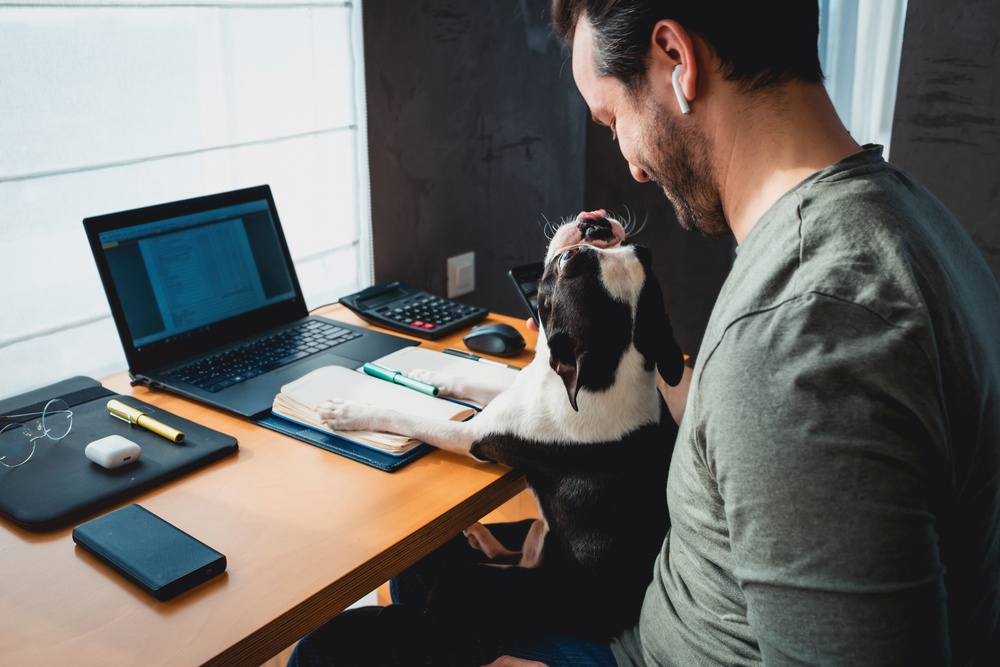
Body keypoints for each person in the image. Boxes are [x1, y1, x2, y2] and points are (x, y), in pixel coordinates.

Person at [290, 1, 1000, 665]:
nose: (628, 162)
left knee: (327, 651)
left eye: (611, 119)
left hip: (638, 648)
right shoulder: (910, 221)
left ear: (675, 60)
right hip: (653, 598)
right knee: (426, 570)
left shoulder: (804, 330)